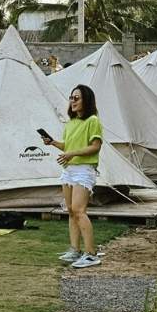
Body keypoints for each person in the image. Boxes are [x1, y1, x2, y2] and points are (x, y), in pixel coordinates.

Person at [44, 84, 103, 269]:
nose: (72, 101)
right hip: (69, 170)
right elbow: (68, 147)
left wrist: (72, 154)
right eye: (71, 98)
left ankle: (91, 254)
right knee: (70, 210)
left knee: (79, 210)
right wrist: (53, 142)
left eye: (76, 98)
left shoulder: (93, 120)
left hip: (84, 170)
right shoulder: (70, 123)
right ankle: (75, 250)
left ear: (86, 100)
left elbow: (95, 146)